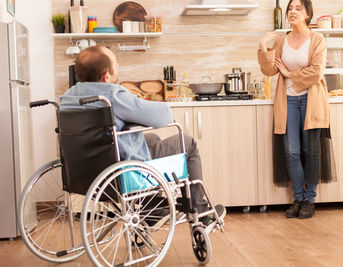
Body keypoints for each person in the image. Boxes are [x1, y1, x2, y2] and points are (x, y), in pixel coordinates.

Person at [60, 45, 226, 224]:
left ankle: (150, 205)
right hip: (122, 172)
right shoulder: (113, 95)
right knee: (188, 143)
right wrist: (136, 105)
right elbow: (164, 117)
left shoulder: (68, 97)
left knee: (151, 139)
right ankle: (200, 211)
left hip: (85, 172)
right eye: (115, 62)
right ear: (106, 76)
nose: (118, 65)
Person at [258, 0, 336, 219]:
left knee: (311, 151)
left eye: (298, 9)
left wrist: (291, 74)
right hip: (289, 101)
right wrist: (264, 45)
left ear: (307, 14)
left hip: (311, 101)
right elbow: (270, 69)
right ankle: (298, 198)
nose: (292, 12)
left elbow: (317, 72)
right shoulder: (282, 41)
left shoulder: (317, 39)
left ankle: (309, 199)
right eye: (290, 9)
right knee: (291, 152)